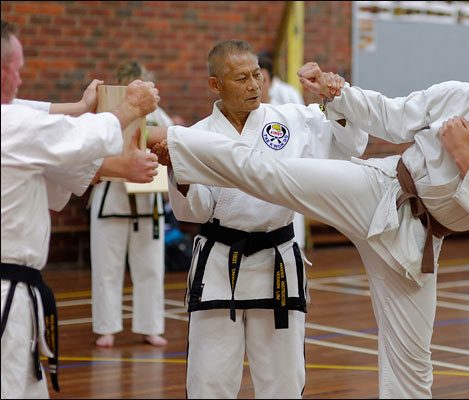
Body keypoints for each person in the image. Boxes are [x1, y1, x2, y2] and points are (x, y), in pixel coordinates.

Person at [147, 24, 469, 398]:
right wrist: (339, 93)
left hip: (417, 241)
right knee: (277, 173)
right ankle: (176, 140)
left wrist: (463, 156)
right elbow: (393, 117)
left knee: (412, 363)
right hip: (380, 188)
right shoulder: (459, 97)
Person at [166, 39, 368, 398]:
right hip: (218, 263)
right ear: (216, 84)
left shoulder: (291, 119)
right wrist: (177, 171)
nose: (254, 85)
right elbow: (193, 211)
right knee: (209, 379)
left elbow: (350, 145)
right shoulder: (196, 136)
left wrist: (338, 98)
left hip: (276, 261)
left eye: (257, 75)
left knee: (283, 378)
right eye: (242, 78)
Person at [1, 19, 159, 399]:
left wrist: (82, 107)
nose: (21, 81)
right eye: (17, 70)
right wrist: (128, 108)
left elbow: (38, 128)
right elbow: (70, 138)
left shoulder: (14, 123)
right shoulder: (10, 124)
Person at [89, 61, 173, 348]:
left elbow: (170, 151)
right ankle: (106, 327)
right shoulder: (107, 114)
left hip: (147, 199)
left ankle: (150, 325)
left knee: (150, 265)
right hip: (110, 196)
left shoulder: (158, 116)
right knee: (106, 265)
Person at [258, 53, 308, 249]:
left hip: (287, 185)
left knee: (292, 247)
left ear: (271, 81)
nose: (258, 86)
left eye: (263, 80)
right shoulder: (240, 115)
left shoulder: (286, 114)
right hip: (258, 191)